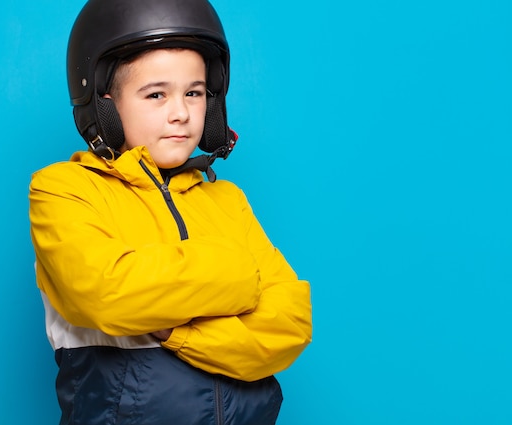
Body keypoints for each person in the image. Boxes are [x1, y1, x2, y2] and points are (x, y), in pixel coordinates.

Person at [29, 0, 312, 423]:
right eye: (156, 94)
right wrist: (235, 273)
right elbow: (108, 294)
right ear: (105, 105)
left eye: (194, 93)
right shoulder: (64, 189)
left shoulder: (226, 200)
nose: (180, 113)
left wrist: (173, 331)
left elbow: (290, 324)